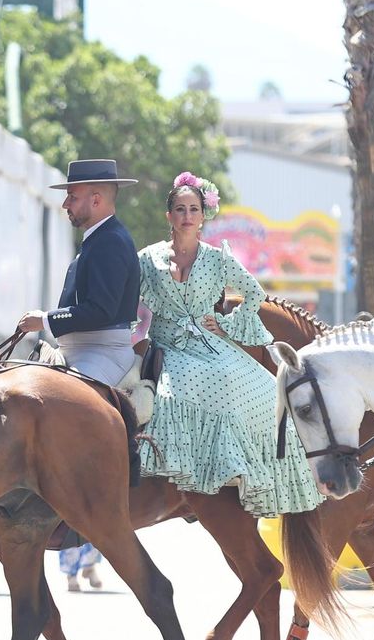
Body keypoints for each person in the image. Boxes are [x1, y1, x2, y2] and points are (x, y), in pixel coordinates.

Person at [135, 172, 324, 518]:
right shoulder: (147, 259)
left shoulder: (217, 259)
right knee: (178, 387)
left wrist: (225, 325)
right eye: (180, 209)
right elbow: (127, 300)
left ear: (203, 216)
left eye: (193, 209)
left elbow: (253, 294)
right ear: (169, 217)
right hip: (166, 346)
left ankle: (243, 471)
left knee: (266, 391)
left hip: (209, 343)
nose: (187, 216)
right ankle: (181, 467)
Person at [15, 158, 141, 386]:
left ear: (96, 200)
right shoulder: (99, 238)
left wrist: (45, 320)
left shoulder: (110, 240)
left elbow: (101, 310)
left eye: (72, 196)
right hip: (80, 351)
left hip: (103, 354)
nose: (65, 204)